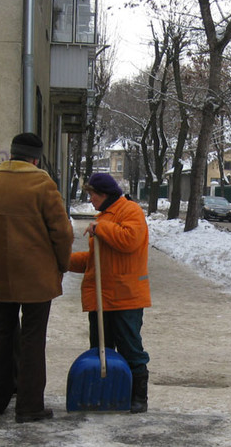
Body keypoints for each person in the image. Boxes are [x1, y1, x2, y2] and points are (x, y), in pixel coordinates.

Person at [0, 133, 74, 423]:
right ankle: (29, 406)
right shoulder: (41, 183)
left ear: (12, 153)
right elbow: (62, 232)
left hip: (0, 275)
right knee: (32, 339)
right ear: (35, 158)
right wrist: (61, 264)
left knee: (1, 335)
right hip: (36, 277)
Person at [68, 173, 152, 413]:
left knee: (131, 348)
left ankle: (138, 397)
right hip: (102, 297)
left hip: (125, 297)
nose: (91, 200)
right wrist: (64, 262)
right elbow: (97, 261)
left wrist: (101, 227)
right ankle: (106, 392)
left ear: (105, 194)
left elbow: (129, 240)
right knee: (101, 350)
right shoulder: (104, 217)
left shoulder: (130, 211)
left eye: (92, 195)